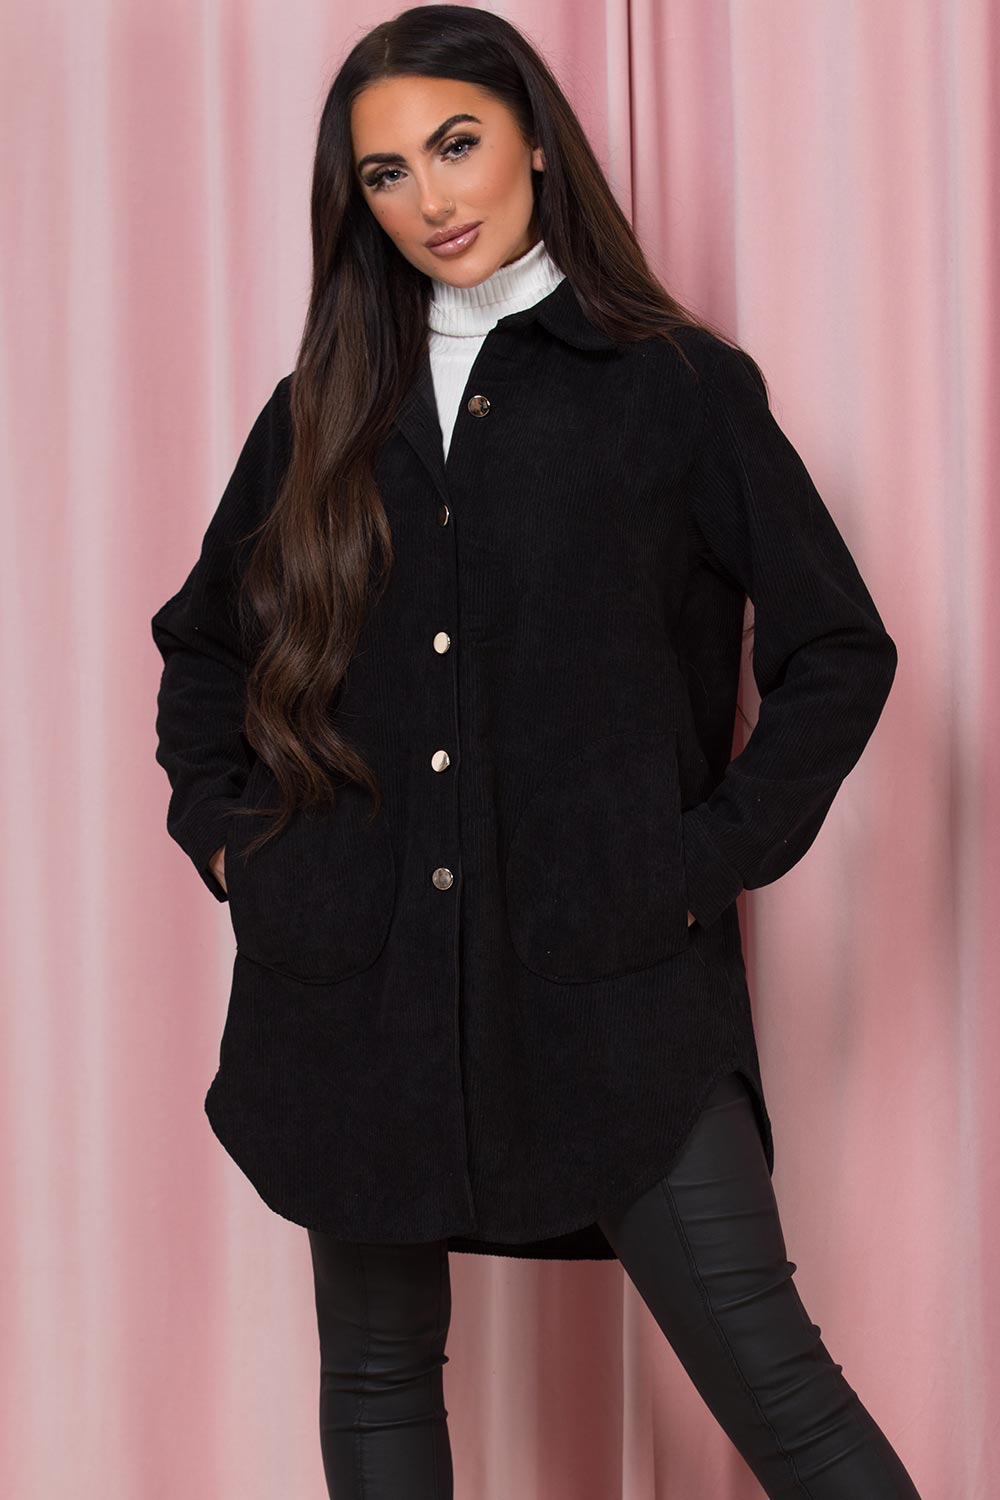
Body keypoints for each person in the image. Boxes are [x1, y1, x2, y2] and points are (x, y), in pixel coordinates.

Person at [150, 6, 923, 1497]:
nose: (430, 199)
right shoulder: (321, 410)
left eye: (457, 145)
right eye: (387, 173)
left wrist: (700, 858)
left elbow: (839, 650)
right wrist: (241, 847)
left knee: (779, 1388)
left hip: (614, 977)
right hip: (354, 972)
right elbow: (205, 648)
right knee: (378, 1375)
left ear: (536, 145)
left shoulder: (675, 387)